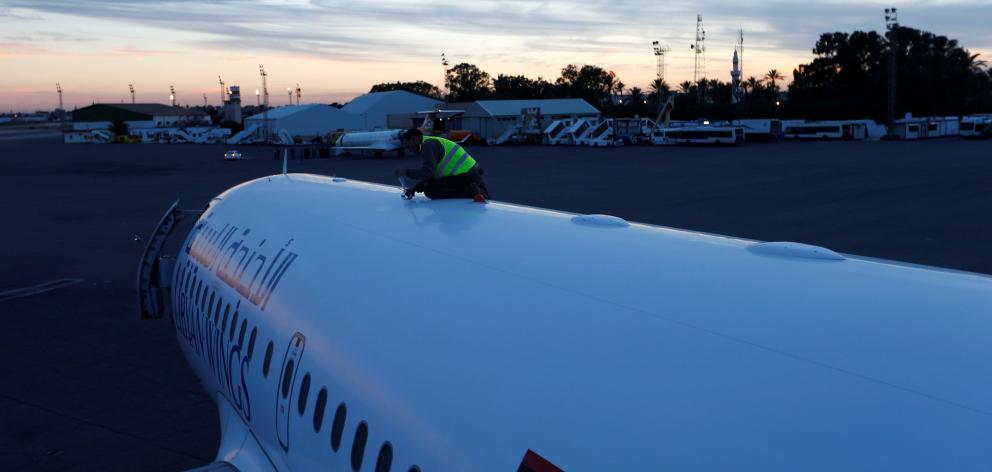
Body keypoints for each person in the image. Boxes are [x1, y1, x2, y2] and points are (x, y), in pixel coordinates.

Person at [394, 129, 490, 201]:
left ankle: (470, 190)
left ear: (414, 139)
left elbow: (428, 173)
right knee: (431, 185)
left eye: (408, 145)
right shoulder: (430, 142)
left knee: (430, 190)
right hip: (472, 173)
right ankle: (474, 188)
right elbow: (434, 174)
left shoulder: (427, 146)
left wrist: (406, 172)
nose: (409, 150)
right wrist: (416, 188)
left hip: (467, 176)